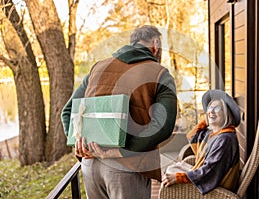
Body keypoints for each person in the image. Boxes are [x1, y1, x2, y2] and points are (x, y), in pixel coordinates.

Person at [61, 25, 177, 199]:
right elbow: (163, 126)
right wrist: (123, 151)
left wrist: (78, 141)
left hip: (90, 165)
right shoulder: (160, 73)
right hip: (128, 168)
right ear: (156, 44)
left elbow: (67, 111)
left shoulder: (98, 68)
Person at [162, 89, 241, 194]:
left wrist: (180, 177)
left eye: (217, 108)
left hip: (216, 187)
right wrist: (210, 118)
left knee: (171, 175)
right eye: (209, 108)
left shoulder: (225, 139)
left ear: (226, 114)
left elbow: (211, 170)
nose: (211, 111)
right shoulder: (215, 133)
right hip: (207, 177)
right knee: (171, 169)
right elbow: (194, 136)